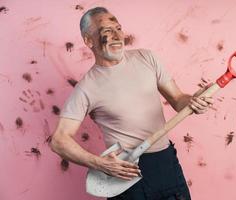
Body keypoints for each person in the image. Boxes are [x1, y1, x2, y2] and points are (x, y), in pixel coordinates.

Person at [50, 7, 213, 200]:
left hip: (166, 162)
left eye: (118, 28)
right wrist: (99, 163)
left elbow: (178, 100)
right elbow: (59, 141)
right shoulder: (87, 87)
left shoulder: (147, 58)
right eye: (107, 31)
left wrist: (193, 100)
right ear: (89, 40)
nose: (117, 35)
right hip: (127, 174)